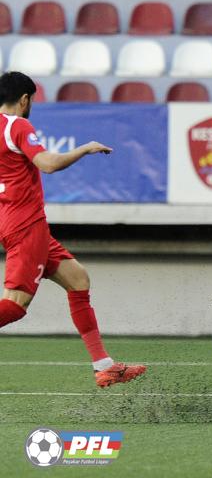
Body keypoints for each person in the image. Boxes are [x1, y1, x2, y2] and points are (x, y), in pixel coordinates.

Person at [0, 71, 146, 388]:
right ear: (24, 100)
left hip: (13, 219)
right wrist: (84, 148)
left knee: (78, 278)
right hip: (26, 224)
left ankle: (104, 365)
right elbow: (48, 164)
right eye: (32, 100)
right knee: (15, 305)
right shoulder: (18, 125)